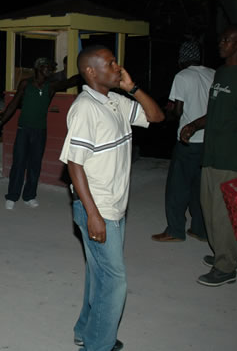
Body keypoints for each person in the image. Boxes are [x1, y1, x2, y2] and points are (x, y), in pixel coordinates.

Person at [61, 45, 164, 351]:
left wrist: (132, 88)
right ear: (91, 71)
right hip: (98, 207)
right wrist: (93, 215)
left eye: (116, 62)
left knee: (99, 275)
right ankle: (97, 345)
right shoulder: (85, 108)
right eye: (110, 63)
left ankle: (87, 331)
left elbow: (156, 116)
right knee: (115, 281)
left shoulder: (116, 101)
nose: (118, 67)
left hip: (115, 206)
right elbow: (74, 164)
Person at [180, 25, 237, 287]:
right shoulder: (222, 73)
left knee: (224, 214)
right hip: (211, 153)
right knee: (209, 209)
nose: (221, 43)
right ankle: (221, 252)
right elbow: (215, 112)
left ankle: (226, 267)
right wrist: (194, 125)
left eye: (227, 40)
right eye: (221, 39)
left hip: (231, 156)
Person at [0, 57, 81, 210]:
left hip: (40, 132)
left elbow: (71, 82)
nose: (50, 70)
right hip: (23, 130)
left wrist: (87, 70)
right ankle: (12, 196)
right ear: (39, 67)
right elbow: (13, 105)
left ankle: (29, 196)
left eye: (52, 68)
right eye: (48, 67)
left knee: (35, 164)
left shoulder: (51, 86)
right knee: (19, 163)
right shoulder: (25, 84)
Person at [151, 41, 214, 242]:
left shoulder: (182, 76)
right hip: (209, 140)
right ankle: (200, 229)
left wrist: (167, 113)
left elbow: (178, 111)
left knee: (177, 187)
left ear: (181, 59)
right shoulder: (213, 73)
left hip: (189, 140)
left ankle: (175, 230)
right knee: (199, 187)